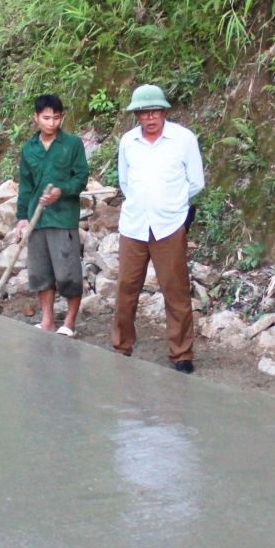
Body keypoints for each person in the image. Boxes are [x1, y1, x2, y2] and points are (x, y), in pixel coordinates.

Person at [111, 84, 204, 373]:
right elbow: (125, 182)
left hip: (169, 225)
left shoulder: (183, 139)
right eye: (144, 113)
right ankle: (121, 347)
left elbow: (196, 181)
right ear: (136, 115)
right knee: (126, 288)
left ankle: (182, 354)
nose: (150, 118)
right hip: (134, 225)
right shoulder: (128, 142)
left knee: (175, 290)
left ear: (164, 112)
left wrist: (173, 207)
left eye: (155, 112)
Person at [15, 94, 91, 334]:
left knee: (68, 272)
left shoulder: (72, 144)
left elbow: (81, 178)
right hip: (37, 220)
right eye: (46, 118)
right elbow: (25, 186)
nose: (51, 123)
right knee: (41, 273)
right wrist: (22, 217)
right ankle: (47, 320)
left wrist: (62, 191)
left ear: (62, 118)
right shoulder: (29, 149)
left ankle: (69, 323)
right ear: (36, 118)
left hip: (62, 217)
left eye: (56, 118)